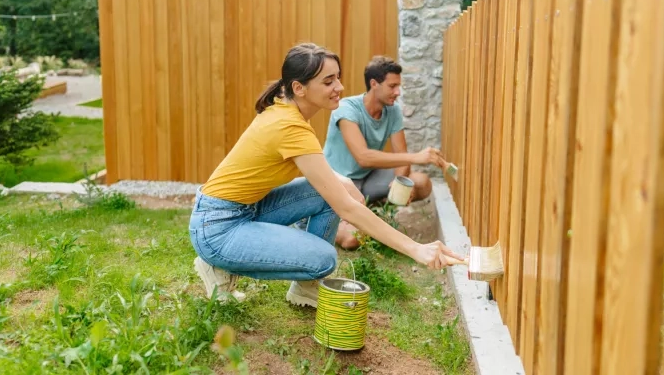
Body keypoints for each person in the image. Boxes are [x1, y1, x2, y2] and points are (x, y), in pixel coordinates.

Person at [189, 43, 463, 306]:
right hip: (219, 226)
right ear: (299, 88)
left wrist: (343, 181)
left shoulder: (285, 109)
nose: (339, 88)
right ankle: (219, 263)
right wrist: (415, 249)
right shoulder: (290, 127)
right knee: (323, 259)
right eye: (329, 81)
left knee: (332, 191)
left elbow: (322, 176)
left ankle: (305, 290)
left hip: (240, 210)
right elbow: (345, 207)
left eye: (338, 78)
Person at [323, 56, 447, 250]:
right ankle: (329, 223)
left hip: (368, 180)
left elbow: (401, 155)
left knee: (421, 183)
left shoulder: (393, 111)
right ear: (374, 84)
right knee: (353, 239)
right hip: (340, 183)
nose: (398, 92)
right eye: (392, 86)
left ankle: (369, 213)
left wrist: (400, 184)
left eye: (398, 86)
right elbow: (363, 157)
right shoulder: (346, 109)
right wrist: (416, 156)